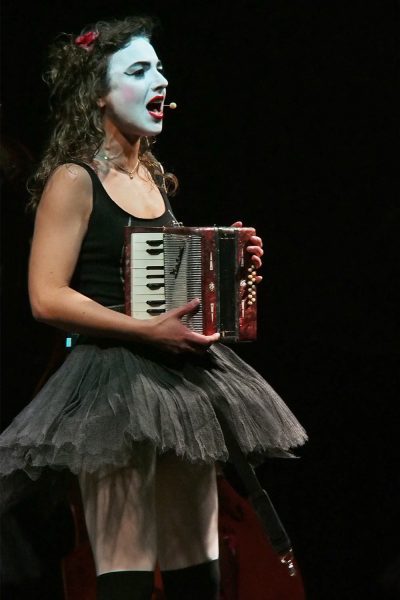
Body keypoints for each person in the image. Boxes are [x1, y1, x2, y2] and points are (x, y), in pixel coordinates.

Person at [0, 16, 307, 600]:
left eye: (160, 67)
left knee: (200, 570)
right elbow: (46, 296)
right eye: (139, 71)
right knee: (127, 571)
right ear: (97, 93)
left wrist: (229, 265)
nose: (159, 79)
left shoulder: (153, 181)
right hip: (110, 387)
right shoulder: (74, 179)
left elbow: (167, 280)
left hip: (176, 385)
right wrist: (144, 330)